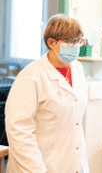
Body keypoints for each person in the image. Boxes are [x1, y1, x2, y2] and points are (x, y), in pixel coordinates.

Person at [5, 14, 89, 173]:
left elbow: (75, 123)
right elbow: (19, 130)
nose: (76, 46)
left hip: (72, 163)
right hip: (37, 165)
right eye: (71, 42)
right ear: (51, 42)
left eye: (78, 41)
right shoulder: (31, 76)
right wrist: (35, 169)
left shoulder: (77, 68)